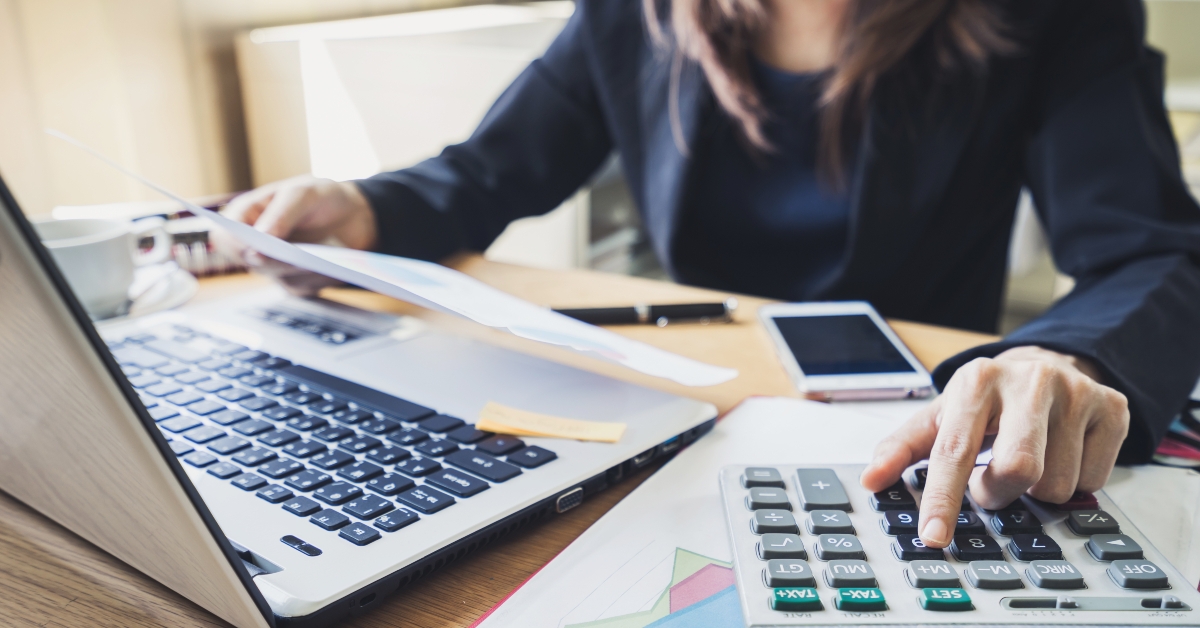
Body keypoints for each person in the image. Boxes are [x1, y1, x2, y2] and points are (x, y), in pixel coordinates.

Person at [224, 0, 1200, 549]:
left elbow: (1150, 246)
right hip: (681, 420)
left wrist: (1065, 355)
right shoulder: (628, 15)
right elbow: (488, 173)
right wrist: (367, 207)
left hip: (909, 433)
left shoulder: (1059, 16)